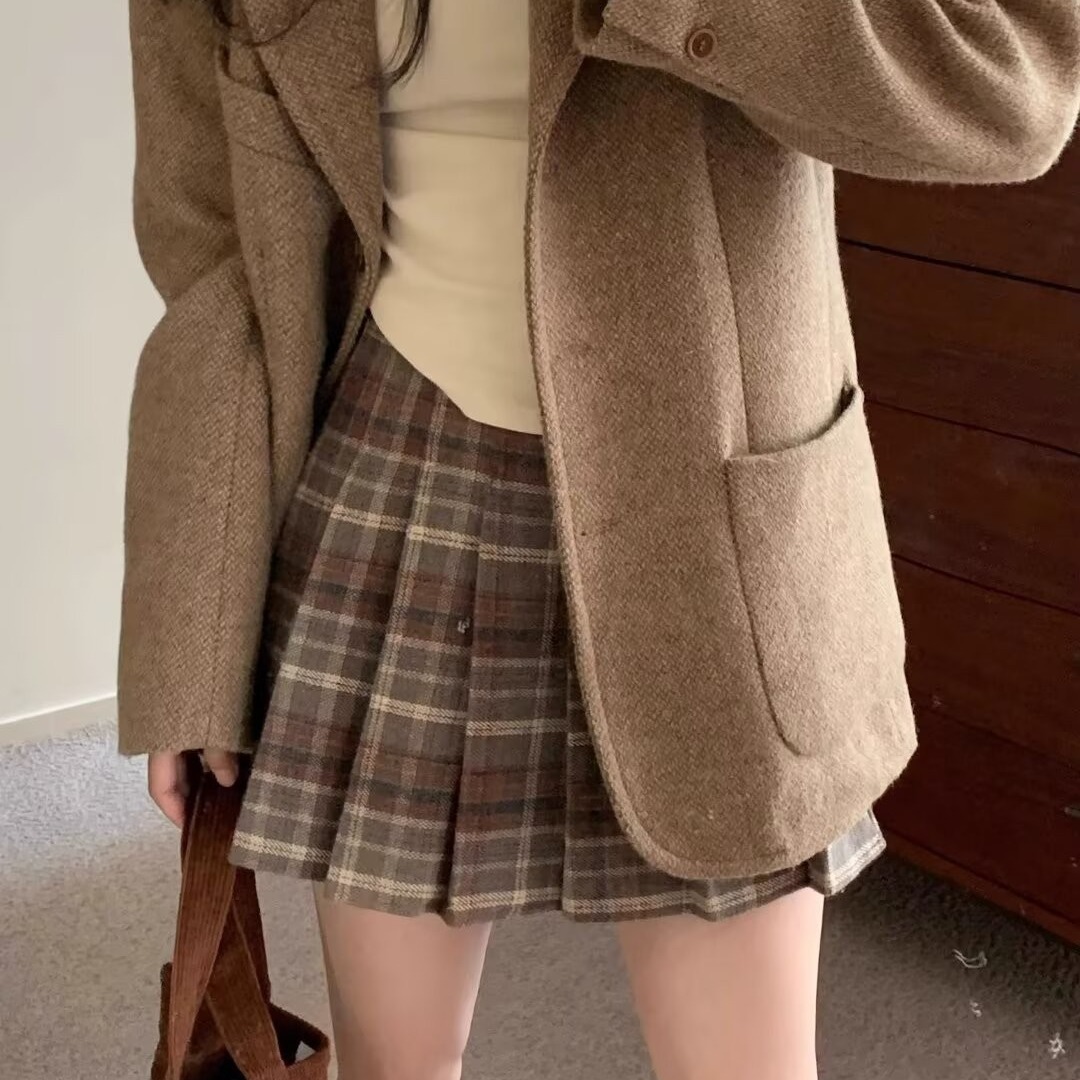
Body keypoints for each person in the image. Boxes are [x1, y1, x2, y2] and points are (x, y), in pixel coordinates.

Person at [117, 1, 1080, 1077]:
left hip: (707, 499)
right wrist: (190, 643)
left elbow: (1009, 88)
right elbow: (218, 268)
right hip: (391, 476)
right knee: (391, 1063)